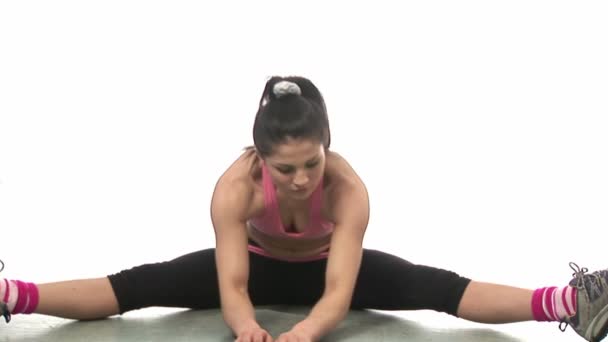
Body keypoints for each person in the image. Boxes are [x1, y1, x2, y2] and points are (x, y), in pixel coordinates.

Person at [1, 76, 607, 342]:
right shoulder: (234, 188)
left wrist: (309, 331)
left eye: (310, 165)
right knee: (143, 283)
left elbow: (341, 286)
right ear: (261, 156)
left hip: (325, 270)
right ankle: (12, 296)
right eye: (284, 169)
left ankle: (569, 304)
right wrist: (246, 327)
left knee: (434, 285)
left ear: (326, 148)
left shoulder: (348, 189)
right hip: (258, 264)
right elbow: (233, 281)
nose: (299, 180)